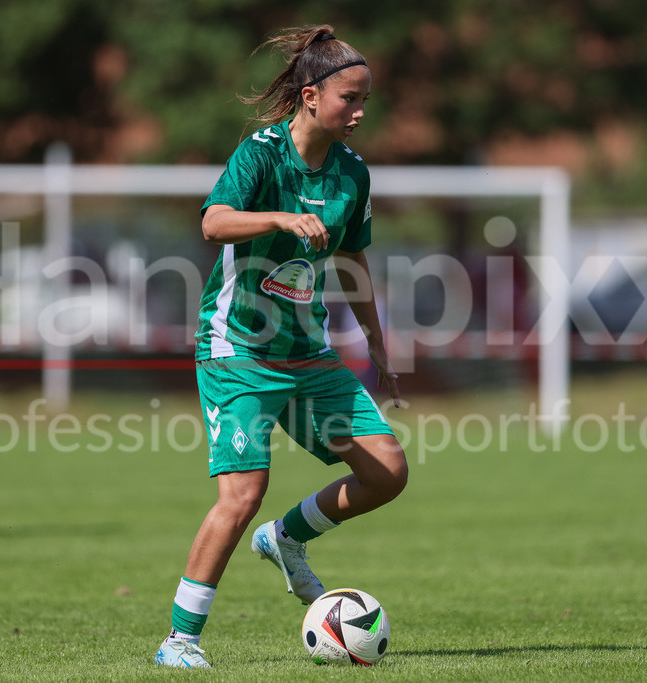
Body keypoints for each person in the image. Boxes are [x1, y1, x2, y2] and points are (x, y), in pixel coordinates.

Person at [154, 25, 407, 669]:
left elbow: (352, 261)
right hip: (236, 348)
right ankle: (179, 641)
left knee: (387, 472)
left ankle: (286, 539)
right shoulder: (261, 155)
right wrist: (277, 217)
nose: (359, 112)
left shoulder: (352, 173)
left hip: (307, 352)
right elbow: (213, 221)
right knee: (242, 491)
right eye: (350, 98)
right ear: (311, 95)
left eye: (365, 101)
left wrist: (378, 344)